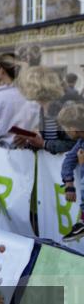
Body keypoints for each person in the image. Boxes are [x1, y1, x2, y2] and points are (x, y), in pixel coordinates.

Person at [11, 66, 76, 154]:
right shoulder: (41, 109)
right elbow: (46, 144)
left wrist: (43, 143)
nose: (22, 89)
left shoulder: (64, 108)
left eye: (26, 85)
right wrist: (27, 143)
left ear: (35, 86)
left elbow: (74, 145)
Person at [57, 102, 84, 242]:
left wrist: (82, 163)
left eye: (65, 128)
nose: (65, 131)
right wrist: (69, 183)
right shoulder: (81, 142)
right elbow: (68, 160)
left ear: (73, 128)